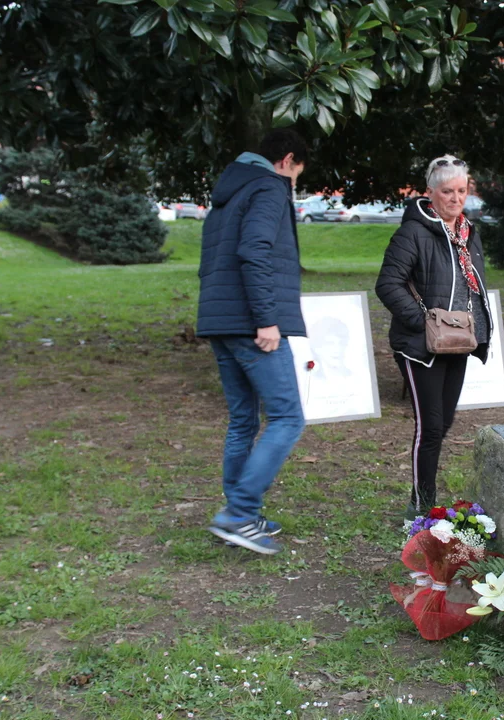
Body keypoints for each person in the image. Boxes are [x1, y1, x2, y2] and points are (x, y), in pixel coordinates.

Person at [196, 129, 309, 555]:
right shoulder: (268, 187)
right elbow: (254, 251)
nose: (294, 182)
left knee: (244, 420)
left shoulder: (230, 191)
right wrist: (266, 320)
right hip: (250, 323)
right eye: (297, 173)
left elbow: (213, 261)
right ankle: (240, 513)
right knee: (287, 418)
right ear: (288, 160)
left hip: (220, 320)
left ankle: (239, 514)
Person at [376, 155, 493, 515]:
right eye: (447, 192)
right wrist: (423, 321)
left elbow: (475, 288)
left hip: (458, 342)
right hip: (420, 346)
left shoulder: (468, 233)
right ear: (430, 192)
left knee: (443, 422)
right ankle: (421, 505)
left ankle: (424, 496)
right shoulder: (412, 233)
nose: (456, 198)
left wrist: (478, 331)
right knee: (429, 428)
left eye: (461, 191)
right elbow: (388, 284)